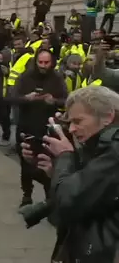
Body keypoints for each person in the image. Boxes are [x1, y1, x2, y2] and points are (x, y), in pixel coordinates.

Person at [21, 86, 119, 263]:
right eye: (70, 122)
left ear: (108, 117)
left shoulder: (113, 152)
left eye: (78, 121)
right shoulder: (99, 147)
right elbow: (83, 186)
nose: (72, 129)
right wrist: (53, 170)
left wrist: (64, 156)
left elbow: (69, 201)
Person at [13, 49, 67, 207]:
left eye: (46, 63)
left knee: (47, 163)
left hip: (47, 128)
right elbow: (14, 98)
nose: (43, 66)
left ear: (52, 63)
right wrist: (25, 98)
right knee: (26, 163)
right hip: (26, 126)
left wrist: (54, 101)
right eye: (40, 62)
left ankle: (49, 197)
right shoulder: (25, 77)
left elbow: (66, 100)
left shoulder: (57, 78)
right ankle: (27, 195)